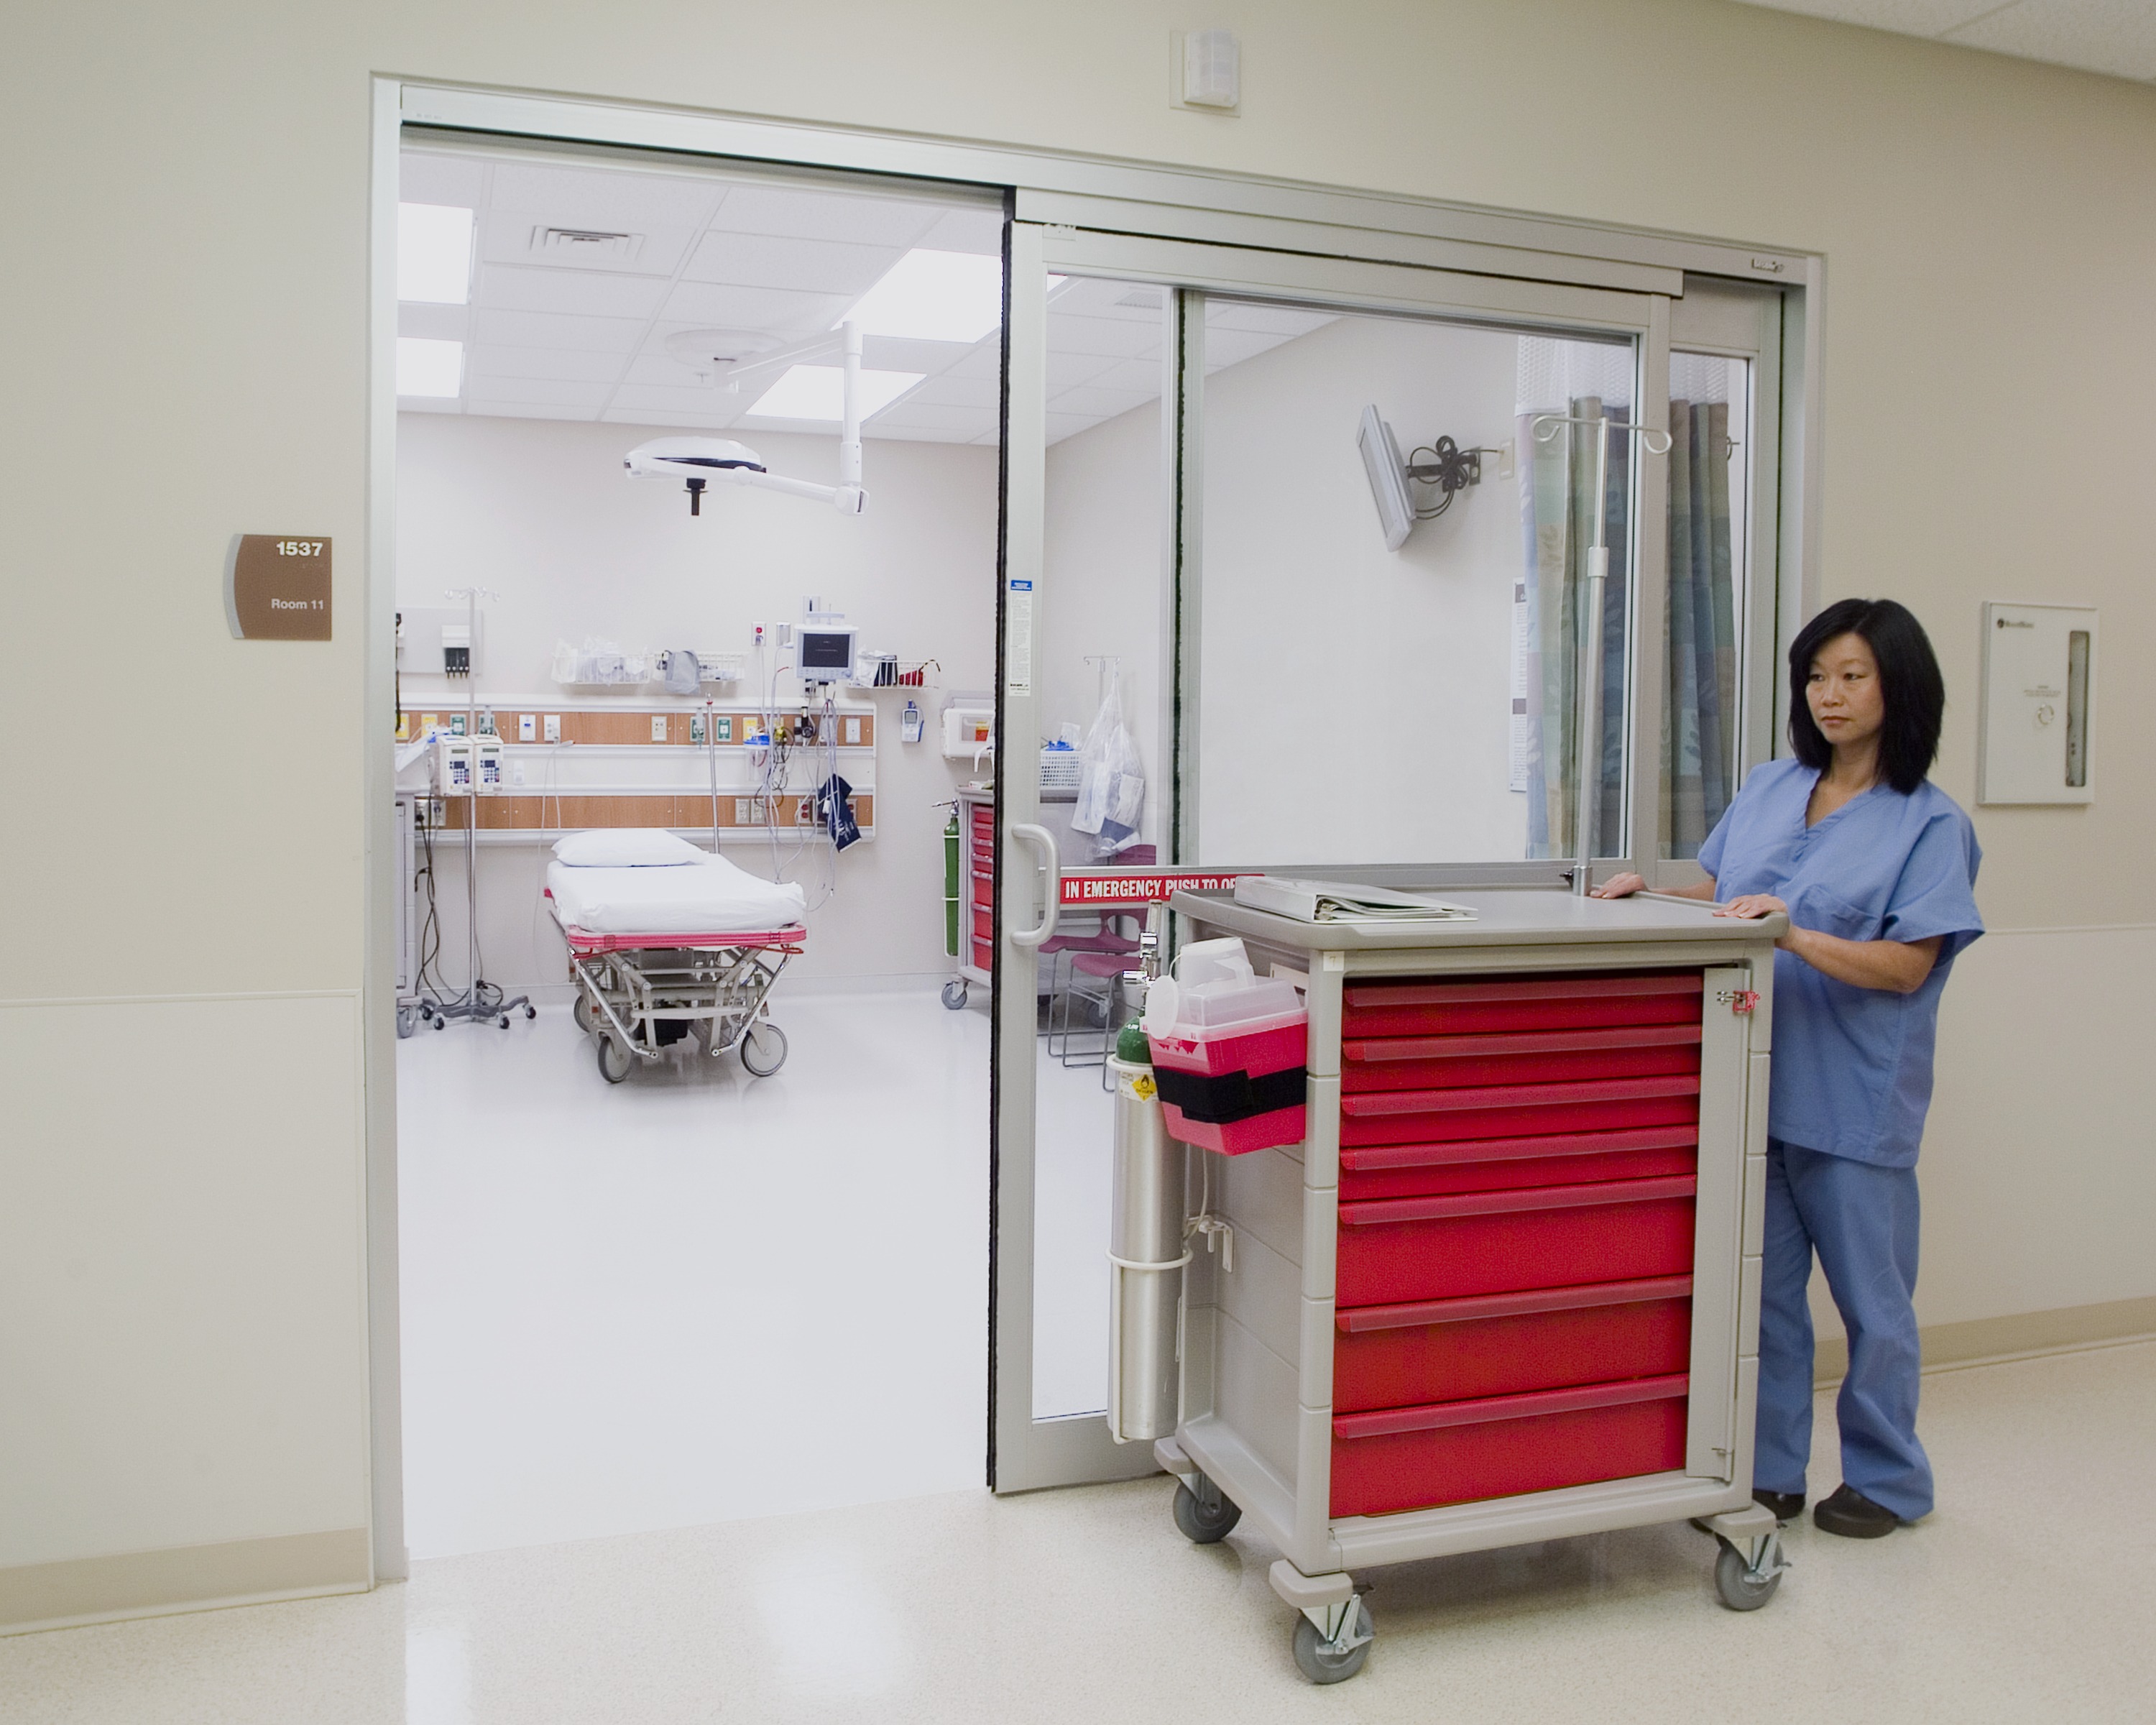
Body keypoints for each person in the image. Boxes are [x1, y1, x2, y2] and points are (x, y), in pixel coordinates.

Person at [1593, 598, 1982, 1538]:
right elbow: (1722, 895)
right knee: (1763, 1297)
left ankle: (1890, 1480)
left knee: (1872, 1305)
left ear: (1898, 688)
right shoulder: (1772, 786)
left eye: (1852, 676)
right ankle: (1768, 1472)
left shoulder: (1929, 825)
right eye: (1816, 677)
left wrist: (1796, 936)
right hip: (1749, 1083)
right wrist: (1651, 898)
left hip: (1853, 1099)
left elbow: (1909, 964)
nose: (1829, 696)